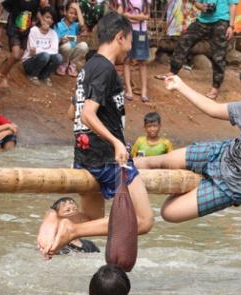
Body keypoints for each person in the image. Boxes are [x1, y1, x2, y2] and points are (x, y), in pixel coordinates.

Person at [38, 12, 154, 258]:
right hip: (108, 157)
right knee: (143, 220)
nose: (131, 49)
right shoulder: (105, 68)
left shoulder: (88, 68)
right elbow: (88, 114)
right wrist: (116, 143)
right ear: (120, 38)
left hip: (85, 156)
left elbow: (73, 112)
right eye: (130, 41)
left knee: (92, 218)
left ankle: (54, 221)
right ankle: (69, 230)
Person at [135, 64, 241, 225]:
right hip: (219, 153)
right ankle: (115, 166)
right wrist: (180, 85)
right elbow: (212, 109)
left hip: (233, 186)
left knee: (169, 213)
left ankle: (202, 184)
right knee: (161, 161)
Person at [162, 0, 239, 100]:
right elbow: (197, 3)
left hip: (221, 20)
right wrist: (202, 7)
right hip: (203, 20)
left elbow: (233, 5)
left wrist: (231, 26)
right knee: (184, 40)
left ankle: (215, 87)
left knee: (218, 55)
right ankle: (173, 71)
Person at [0, 0, 49, 87]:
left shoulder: (36, 1)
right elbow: (3, 5)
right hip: (14, 27)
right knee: (15, 55)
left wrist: (42, 21)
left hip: (25, 28)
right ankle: (1, 76)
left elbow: (36, 11)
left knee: (20, 55)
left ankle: (4, 67)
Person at [114, 0, 151, 102]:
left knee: (142, 61)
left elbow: (146, 16)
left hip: (141, 32)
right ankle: (129, 90)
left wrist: (129, 16)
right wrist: (138, 18)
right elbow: (119, 14)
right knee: (127, 60)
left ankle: (144, 91)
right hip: (128, 31)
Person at [22, 9, 63, 87]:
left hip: (43, 61)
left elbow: (55, 51)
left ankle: (45, 76)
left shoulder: (53, 33)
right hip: (29, 62)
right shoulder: (34, 30)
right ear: (41, 17)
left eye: (51, 19)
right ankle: (33, 75)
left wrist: (38, 50)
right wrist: (46, 51)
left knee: (59, 57)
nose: (49, 20)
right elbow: (32, 52)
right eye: (47, 17)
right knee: (45, 56)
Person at [54, 2, 89, 77]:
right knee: (67, 46)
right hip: (62, 52)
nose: (73, 16)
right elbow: (54, 42)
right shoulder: (58, 25)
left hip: (71, 52)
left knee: (84, 45)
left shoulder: (75, 25)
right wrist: (61, 40)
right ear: (65, 12)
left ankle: (72, 65)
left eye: (75, 14)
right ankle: (63, 64)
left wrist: (78, 8)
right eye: (71, 13)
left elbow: (82, 24)